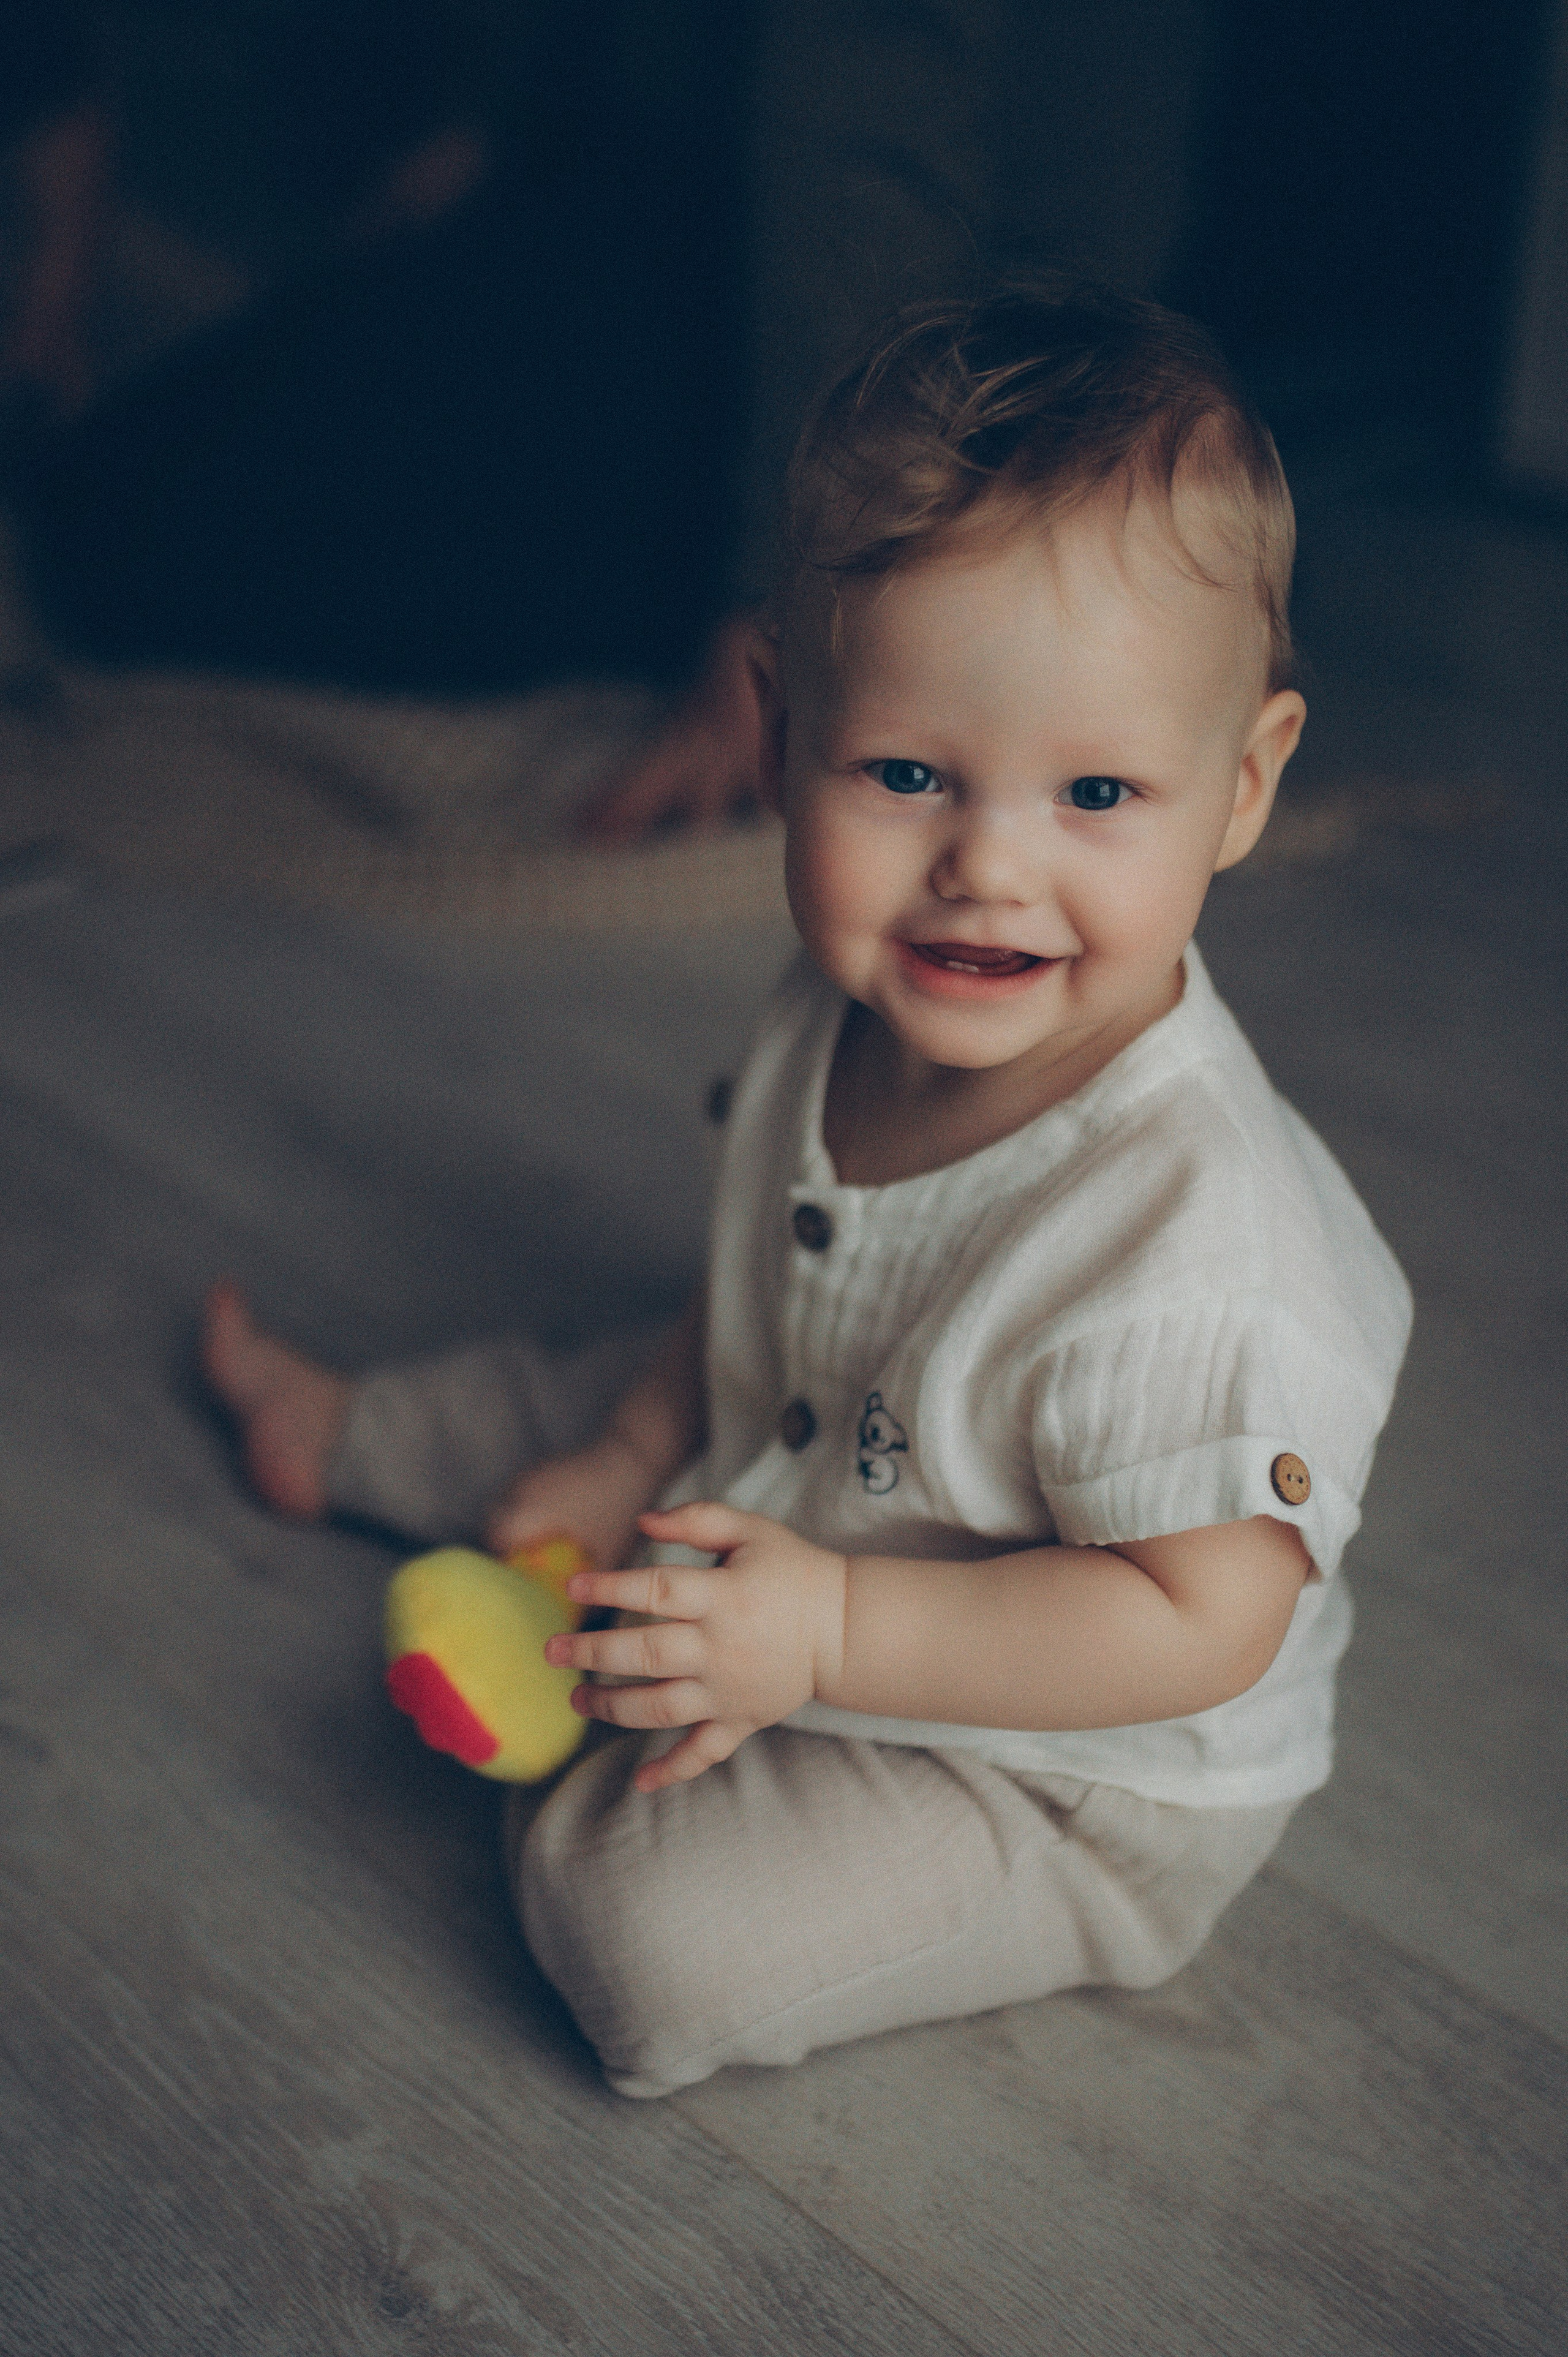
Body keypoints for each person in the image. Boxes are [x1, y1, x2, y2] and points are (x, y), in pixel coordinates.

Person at [205, 282, 1412, 2099]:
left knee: (651, 1948)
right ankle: (363, 1434)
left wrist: (828, 1634)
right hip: (825, 1447)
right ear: (776, 732)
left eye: (1098, 791)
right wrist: (630, 1459)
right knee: (588, 1388)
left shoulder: (1200, 1248)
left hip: (1055, 1754)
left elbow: (1199, 1618)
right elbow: (758, 1270)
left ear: (1241, 791)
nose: (985, 869)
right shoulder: (829, 1011)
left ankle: (597, 1690)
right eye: (909, 773)